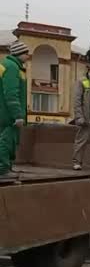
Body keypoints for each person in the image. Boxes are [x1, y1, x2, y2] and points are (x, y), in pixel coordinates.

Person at [0, 40, 29, 178]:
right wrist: (17, 115)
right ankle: (2, 169)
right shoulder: (12, 67)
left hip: (4, 111)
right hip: (8, 114)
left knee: (9, 140)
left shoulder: (10, 65)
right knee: (6, 140)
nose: (28, 55)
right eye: (26, 53)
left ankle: (7, 167)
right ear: (19, 53)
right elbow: (11, 93)